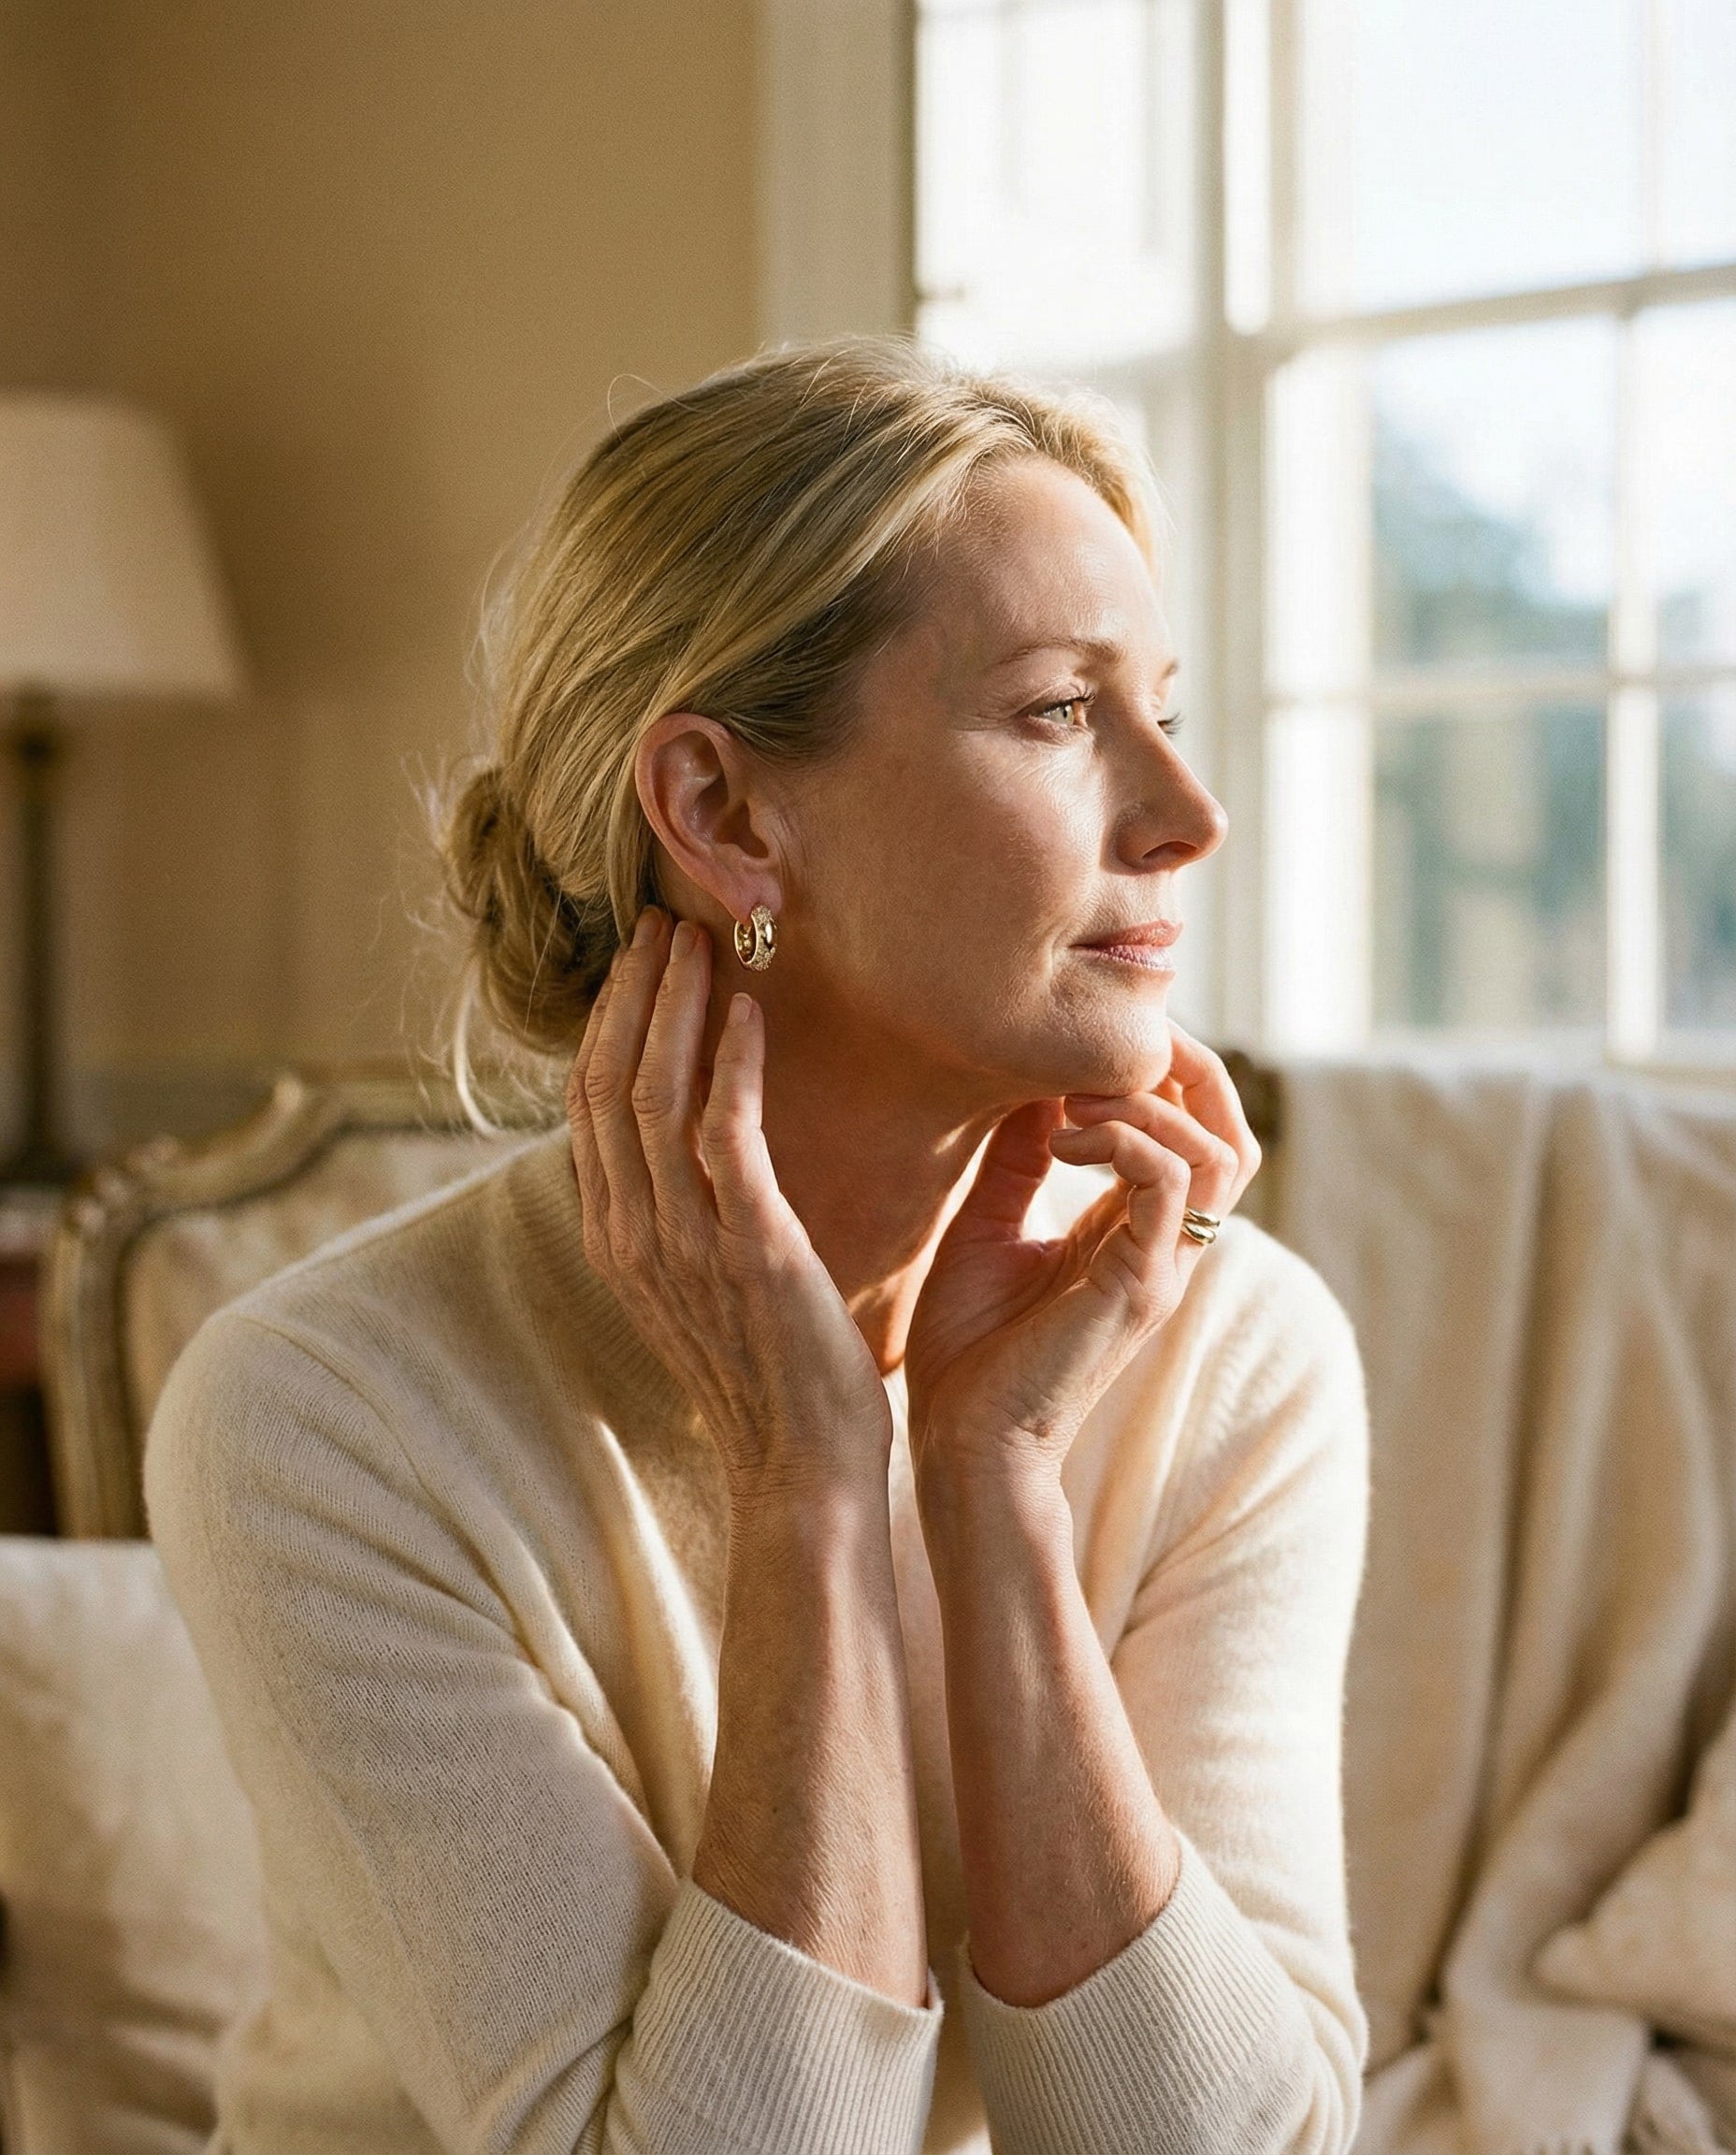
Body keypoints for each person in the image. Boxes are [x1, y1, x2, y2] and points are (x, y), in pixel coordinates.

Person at [146, 333, 1371, 2155]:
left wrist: (998, 1480)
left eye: (1162, 713)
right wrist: (807, 1476)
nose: (1187, 820)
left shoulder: (1233, 1342)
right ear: (724, 817)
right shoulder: (321, 1416)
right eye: (1058, 713)